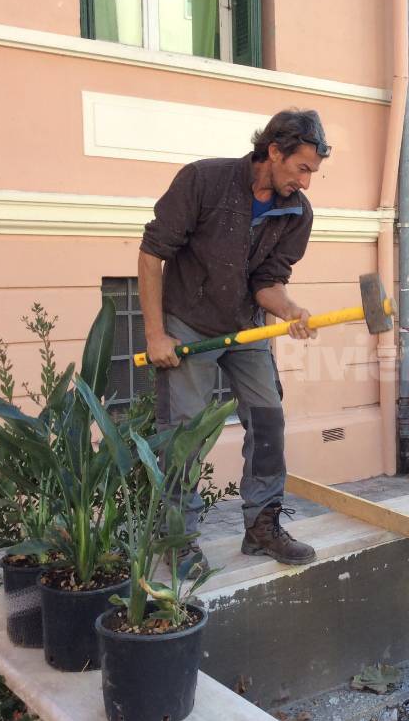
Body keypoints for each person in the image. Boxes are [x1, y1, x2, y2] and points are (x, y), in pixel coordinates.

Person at [139, 109, 331, 576]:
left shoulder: (296, 214)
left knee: (268, 420)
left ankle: (262, 526)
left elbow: (268, 280)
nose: (306, 182)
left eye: (313, 172)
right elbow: (151, 255)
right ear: (273, 151)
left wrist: (289, 310)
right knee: (184, 435)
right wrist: (155, 333)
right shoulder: (204, 181)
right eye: (301, 168)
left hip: (245, 328)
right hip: (188, 323)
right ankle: (179, 540)